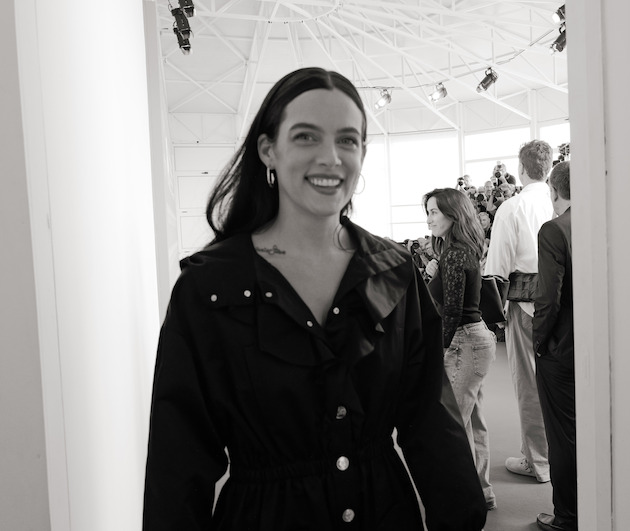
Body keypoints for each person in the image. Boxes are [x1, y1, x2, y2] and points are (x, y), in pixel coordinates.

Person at [142, 67, 487, 531]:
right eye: (306, 137)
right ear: (269, 149)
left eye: (347, 140)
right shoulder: (209, 288)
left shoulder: (392, 272)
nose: (331, 157)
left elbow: (431, 418)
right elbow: (178, 456)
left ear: (363, 153)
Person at [422, 187, 498, 510]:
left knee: (451, 425)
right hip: (476, 340)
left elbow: (451, 311)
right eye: (427, 212)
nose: (429, 219)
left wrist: (437, 351)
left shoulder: (454, 254)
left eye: (434, 212)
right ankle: (480, 491)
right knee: (472, 422)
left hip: (463, 342)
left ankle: (462, 499)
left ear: (453, 214)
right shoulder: (462, 249)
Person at [484, 139, 554, 482]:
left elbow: (495, 266)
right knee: (562, 379)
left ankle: (538, 461)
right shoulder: (560, 203)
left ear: (521, 169)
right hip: (564, 300)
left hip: (526, 301)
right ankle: (564, 453)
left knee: (528, 382)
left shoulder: (513, 208)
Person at [533, 162, 576, 531]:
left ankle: (567, 517)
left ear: (554, 190)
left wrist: (537, 342)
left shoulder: (554, 229)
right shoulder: (596, 220)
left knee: (563, 436)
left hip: (562, 349)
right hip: (593, 347)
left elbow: (547, 297)